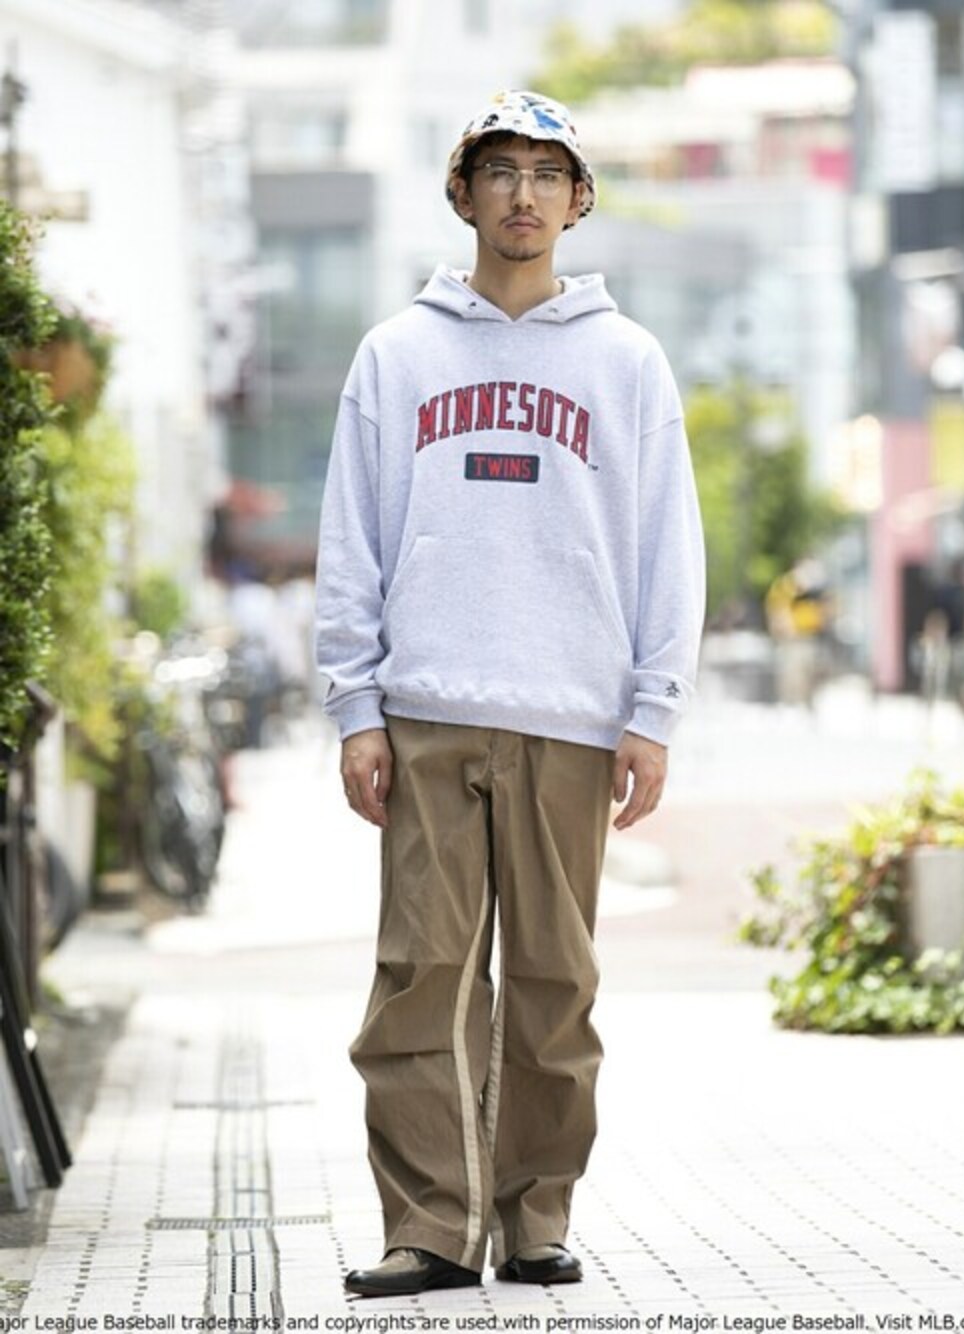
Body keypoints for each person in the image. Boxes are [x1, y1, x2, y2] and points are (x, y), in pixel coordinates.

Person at [314, 89, 706, 1299]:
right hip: (427, 709)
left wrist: (652, 709)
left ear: (577, 200)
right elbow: (351, 536)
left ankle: (536, 1215)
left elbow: (666, 543)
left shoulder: (625, 361)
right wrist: (354, 705)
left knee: (553, 985)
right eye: (501, 172)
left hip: (570, 715)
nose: (523, 195)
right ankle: (429, 1225)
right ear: (464, 193)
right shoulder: (398, 353)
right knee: (418, 977)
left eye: (546, 174)